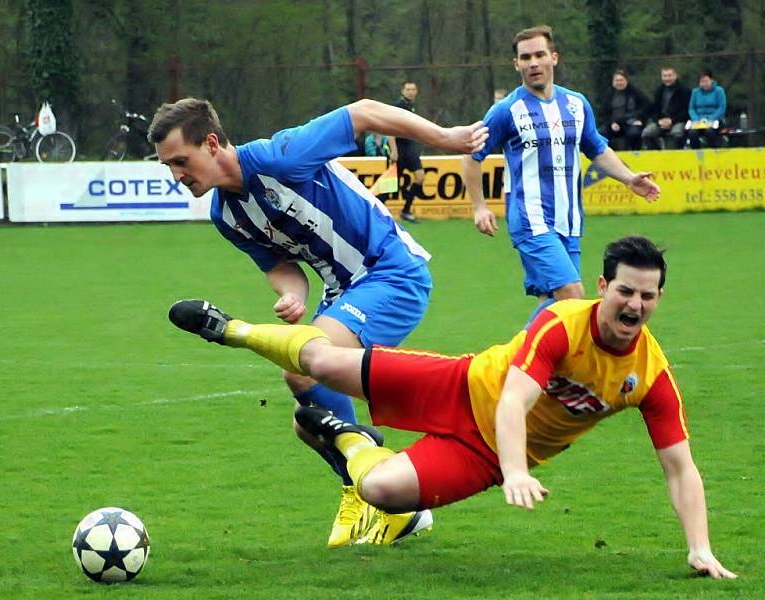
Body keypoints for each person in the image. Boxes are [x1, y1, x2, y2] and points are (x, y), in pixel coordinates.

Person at [168, 236, 737, 578]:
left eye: (646, 295)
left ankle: (352, 441)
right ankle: (233, 328)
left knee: (377, 492)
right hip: (459, 385)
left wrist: (700, 549)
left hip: (482, 456)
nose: (634, 305)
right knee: (320, 364)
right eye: (625, 291)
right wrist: (518, 470)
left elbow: (680, 467)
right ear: (603, 286)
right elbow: (516, 395)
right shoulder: (563, 324)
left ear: (659, 298)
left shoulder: (651, 376)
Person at [148, 97, 488, 548]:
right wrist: (292, 293)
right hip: (341, 292)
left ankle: (379, 486)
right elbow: (280, 265)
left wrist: (445, 138)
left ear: (211, 143)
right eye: (168, 166)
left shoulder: (280, 156)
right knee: (309, 421)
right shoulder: (225, 215)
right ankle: (384, 499)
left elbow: (364, 112)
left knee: (300, 366)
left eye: (180, 161)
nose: (176, 175)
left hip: (391, 272)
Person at [462, 25, 660, 324]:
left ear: (554, 57)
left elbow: (597, 149)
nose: (533, 63)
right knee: (572, 294)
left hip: (570, 221)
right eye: (525, 57)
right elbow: (471, 154)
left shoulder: (576, 104)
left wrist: (628, 178)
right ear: (516, 64)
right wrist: (479, 207)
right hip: (530, 219)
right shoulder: (506, 110)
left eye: (540, 55)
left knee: (556, 308)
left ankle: (535, 368)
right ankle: (518, 362)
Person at [389, 81, 426, 222]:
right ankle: (373, 211)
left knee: (420, 177)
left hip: (410, 149)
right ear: (402, 91)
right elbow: (389, 129)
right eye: (408, 89)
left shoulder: (411, 106)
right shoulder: (398, 106)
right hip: (400, 149)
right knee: (391, 186)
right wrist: (394, 150)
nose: (410, 91)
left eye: (413, 89)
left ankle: (406, 210)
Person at [641, 66, 691, 150]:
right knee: (647, 132)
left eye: (669, 75)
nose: (667, 78)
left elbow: (687, 111)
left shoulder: (685, 90)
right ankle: (656, 155)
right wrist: (658, 121)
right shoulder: (659, 90)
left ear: (675, 76)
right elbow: (654, 109)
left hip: (679, 121)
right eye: (664, 76)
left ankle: (674, 157)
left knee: (676, 133)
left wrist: (672, 121)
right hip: (661, 122)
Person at [599, 69, 649, 151]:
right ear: (613, 82)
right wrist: (611, 123)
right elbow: (604, 113)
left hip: (630, 122)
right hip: (613, 124)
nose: (619, 83)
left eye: (621, 80)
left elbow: (646, 106)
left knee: (634, 133)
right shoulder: (608, 94)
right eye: (617, 80)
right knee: (600, 134)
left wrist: (640, 119)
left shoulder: (635, 92)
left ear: (626, 81)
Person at [687, 70, 727, 149]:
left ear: (711, 80)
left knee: (709, 132)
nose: (704, 84)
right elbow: (691, 108)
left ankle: (714, 152)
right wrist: (696, 119)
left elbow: (722, 108)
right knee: (692, 133)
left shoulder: (719, 91)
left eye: (706, 81)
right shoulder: (695, 92)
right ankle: (696, 154)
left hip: (715, 120)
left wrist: (710, 118)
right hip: (698, 121)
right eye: (702, 82)